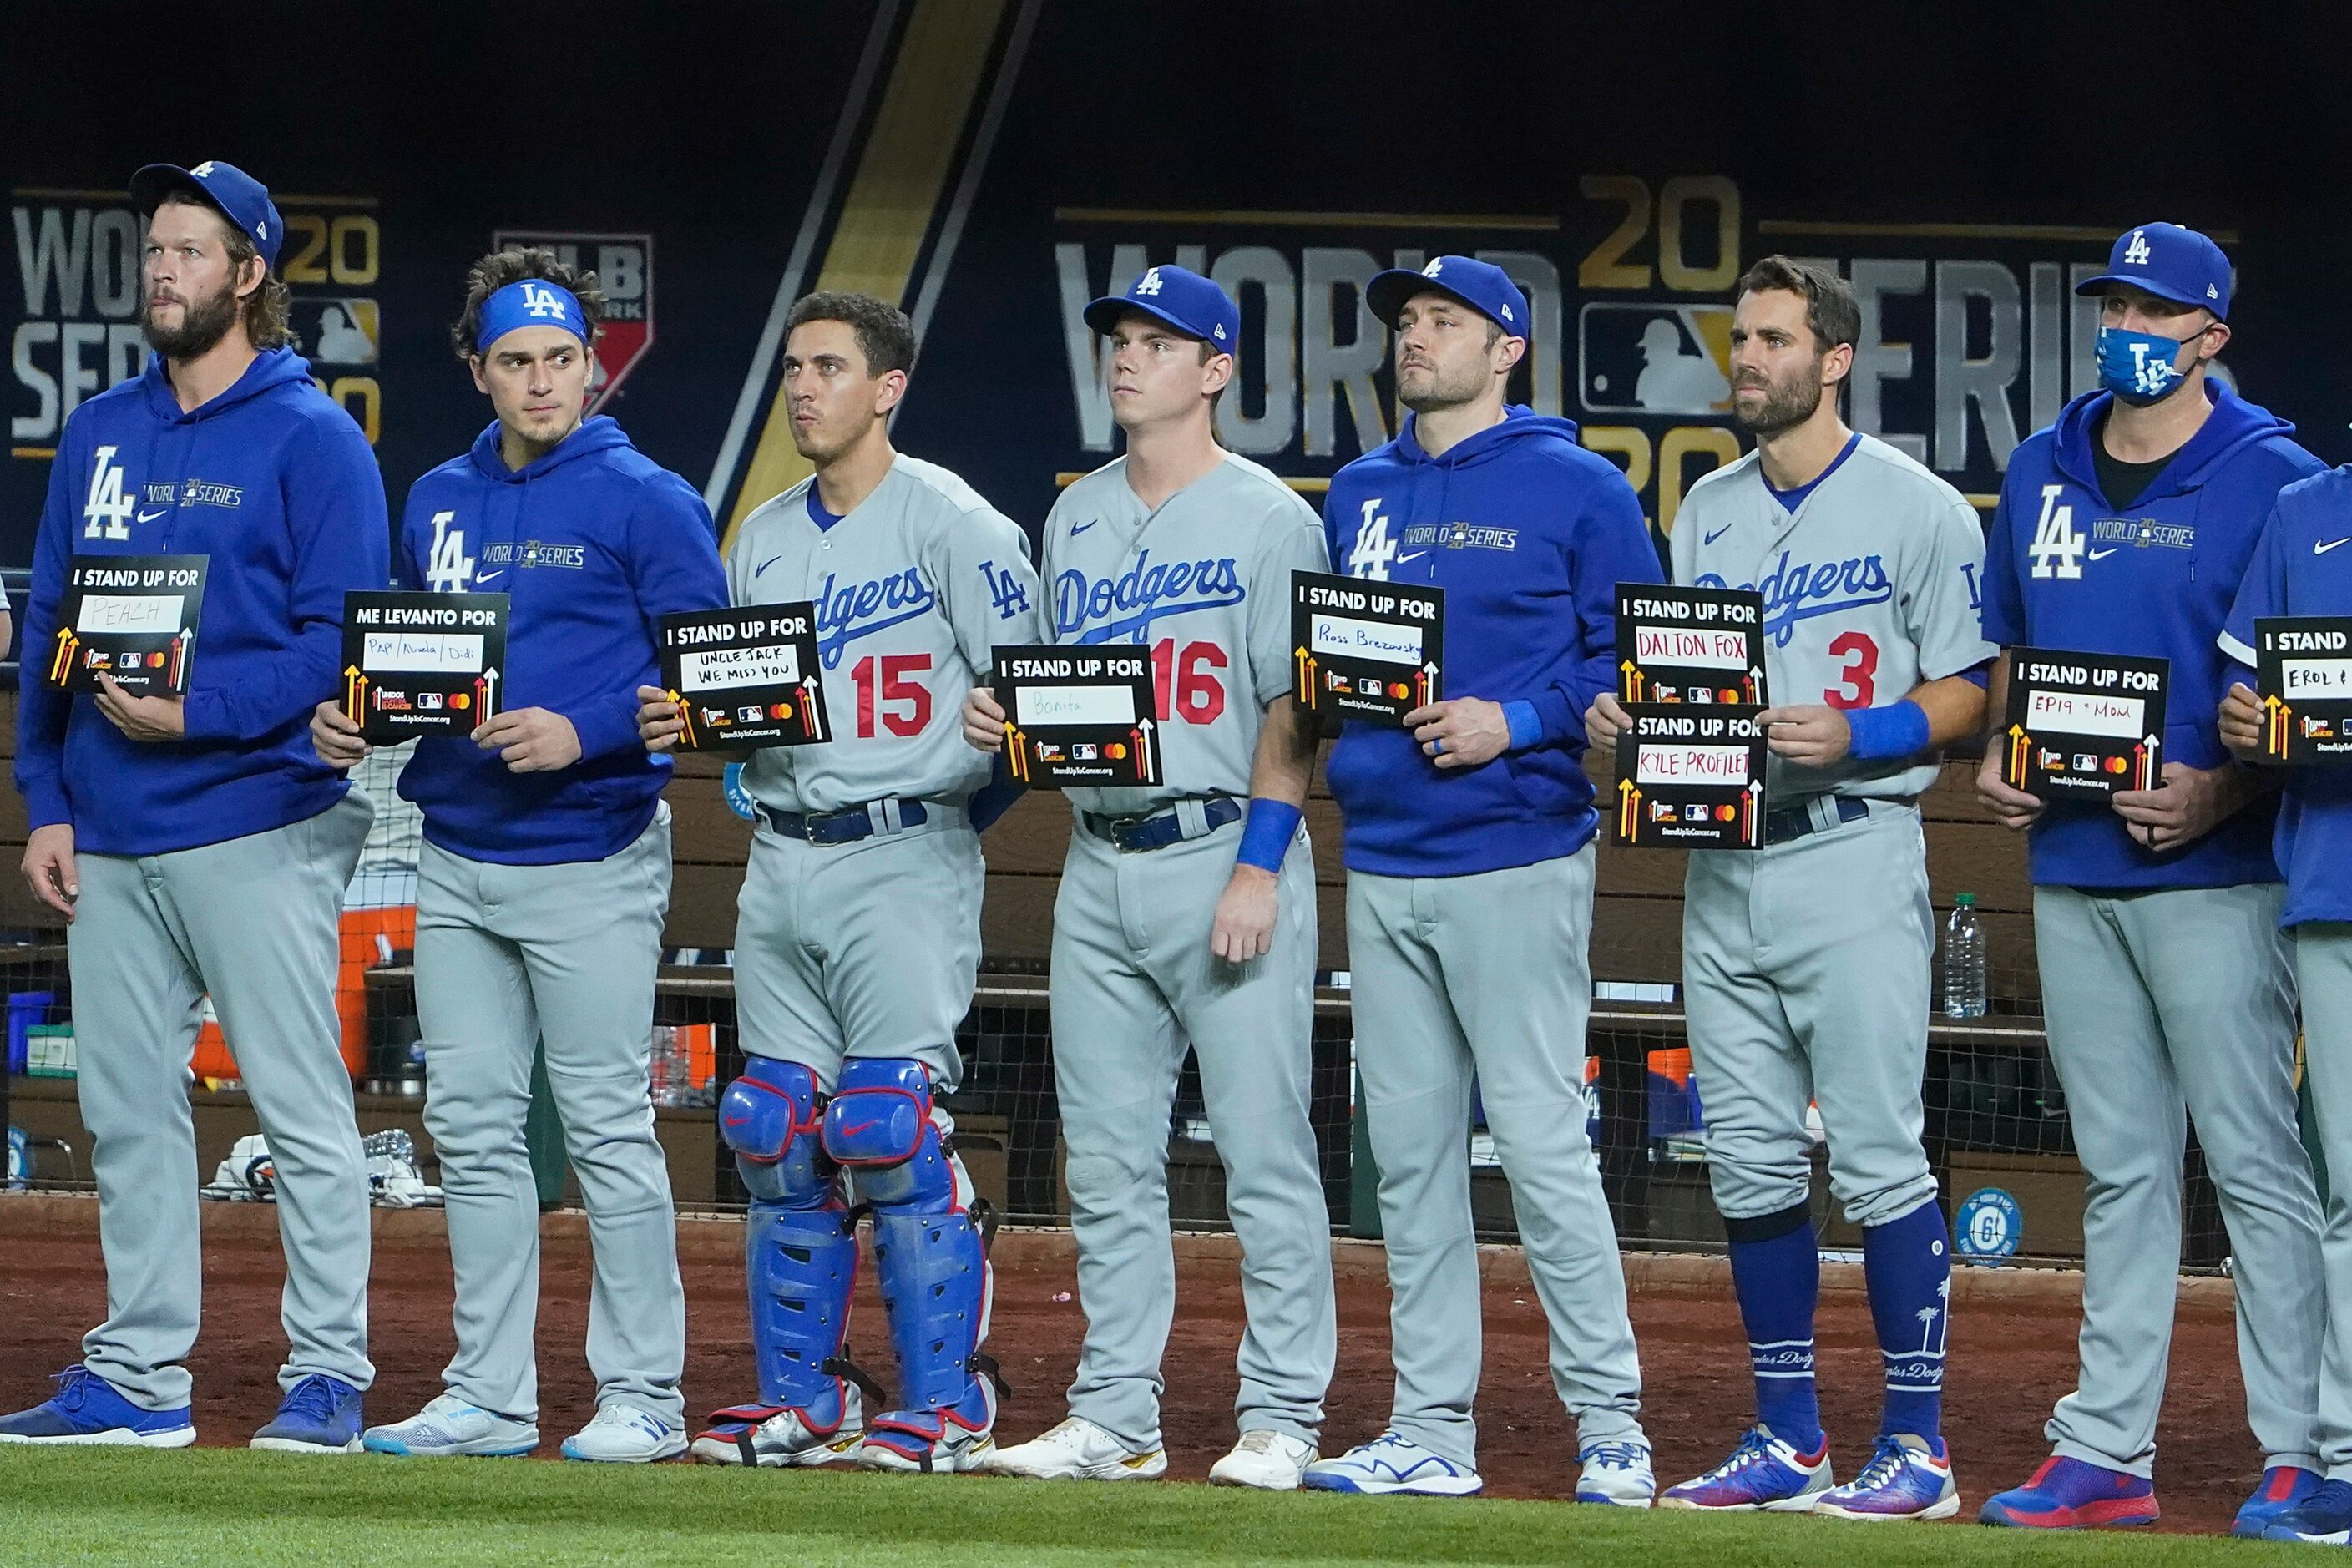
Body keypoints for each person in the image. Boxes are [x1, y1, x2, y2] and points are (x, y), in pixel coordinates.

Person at [1588, 256, 1990, 1520]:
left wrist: (1864, 730)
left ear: (1832, 359)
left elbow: (1974, 691)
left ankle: (1916, 1447)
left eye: (1769, 338)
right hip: (1725, 865)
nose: (1744, 358)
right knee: (1751, 1162)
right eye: (1737, 338)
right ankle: (1786, 1433)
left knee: (1874, 1158)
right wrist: (1627, 728)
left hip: (1853, 849)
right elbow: (1686, 694)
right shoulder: (1703, 509)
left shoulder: (1918, 506)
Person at [311, 248, 726, 1462]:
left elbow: (713, 682)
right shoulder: (435, 496)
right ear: (475, 369)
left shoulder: (651, 497)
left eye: (561, 360)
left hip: (592, 847)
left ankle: (643, 1391)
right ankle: (489, 1393)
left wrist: (586, 727)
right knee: (476, 1127)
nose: (543, 383)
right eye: (516, 362)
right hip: (456, 847)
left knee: (604, 1126)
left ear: (590, 366)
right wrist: (361, 712)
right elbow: (415, 665)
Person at [0, 160, 387, 1452]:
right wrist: (44, 793)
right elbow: (53, 618)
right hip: (108, 827)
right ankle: (139, 1376)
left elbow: (343, 645)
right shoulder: (101, 430)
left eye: (190, 249)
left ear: (250, 273)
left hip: (257, 815)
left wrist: (199, 712)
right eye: (154, 248)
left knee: (298, 1110)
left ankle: (328, 1374)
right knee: (124, 1114)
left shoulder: (314, 435)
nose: (162, 268)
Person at [638, 291, 1042, 1473]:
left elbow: (1035, 706)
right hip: (784, 854)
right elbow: (746, 710)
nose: (803, 388)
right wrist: (690, 717)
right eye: (794, 369)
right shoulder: (758, 534)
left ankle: (944, 1404)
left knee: (886, 1124)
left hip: (903, 851)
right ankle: (806, 1399)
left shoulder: (958, 523)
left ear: (888, 386)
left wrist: (957, 801)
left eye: (828, 366)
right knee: (771, 1129)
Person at [1974, 223, 2326, 1535]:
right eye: (2113, 299)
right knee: (2118, 1167)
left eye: (2151, 306)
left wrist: (2218, 790)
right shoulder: (2036, 466)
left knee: (2253, 1163)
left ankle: (2296, 1446)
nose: (2125, 322)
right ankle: (2104, 1447)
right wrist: (2007, 759)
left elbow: (2298, 701)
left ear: (2208, 336)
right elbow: (2012, 646)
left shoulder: (2272, 478)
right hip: (2070, 861)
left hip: (2216, 870)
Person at [960, 266, 1337, 1490]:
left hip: (1224, 848)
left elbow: (1295, 708)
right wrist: (1005, 721)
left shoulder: (1273, 516)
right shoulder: (1071, 517)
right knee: (1108, 1159)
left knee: (1261, 1149)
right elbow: (1071, 706)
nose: (1127, 358)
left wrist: (1259, 867)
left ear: (1215, 370)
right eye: (1119, 338)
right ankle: (1115, 1409)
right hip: (1099, 858)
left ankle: (1281, 1413)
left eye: (1158, 343)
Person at [1306, 255, 1657, 1503]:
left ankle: (1610, 1421)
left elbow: (1639, 665)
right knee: (1405, 1160)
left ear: (1506, 346)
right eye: (1405, 320)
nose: (1414, 337)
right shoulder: (1358, 488)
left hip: (1515, 849)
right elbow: (1331, 661)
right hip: (1384, 851)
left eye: (1442, 321)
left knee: (1542, 1145)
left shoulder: (1578, 486)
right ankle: (1429, 1425)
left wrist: (1514, 720)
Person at [2218, 468, 2352, 1545]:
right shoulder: (2305, 512)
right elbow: (2241, 708)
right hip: (2333, 885)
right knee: (2349, 1194)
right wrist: (2250, 721)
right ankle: (2345, 1457)